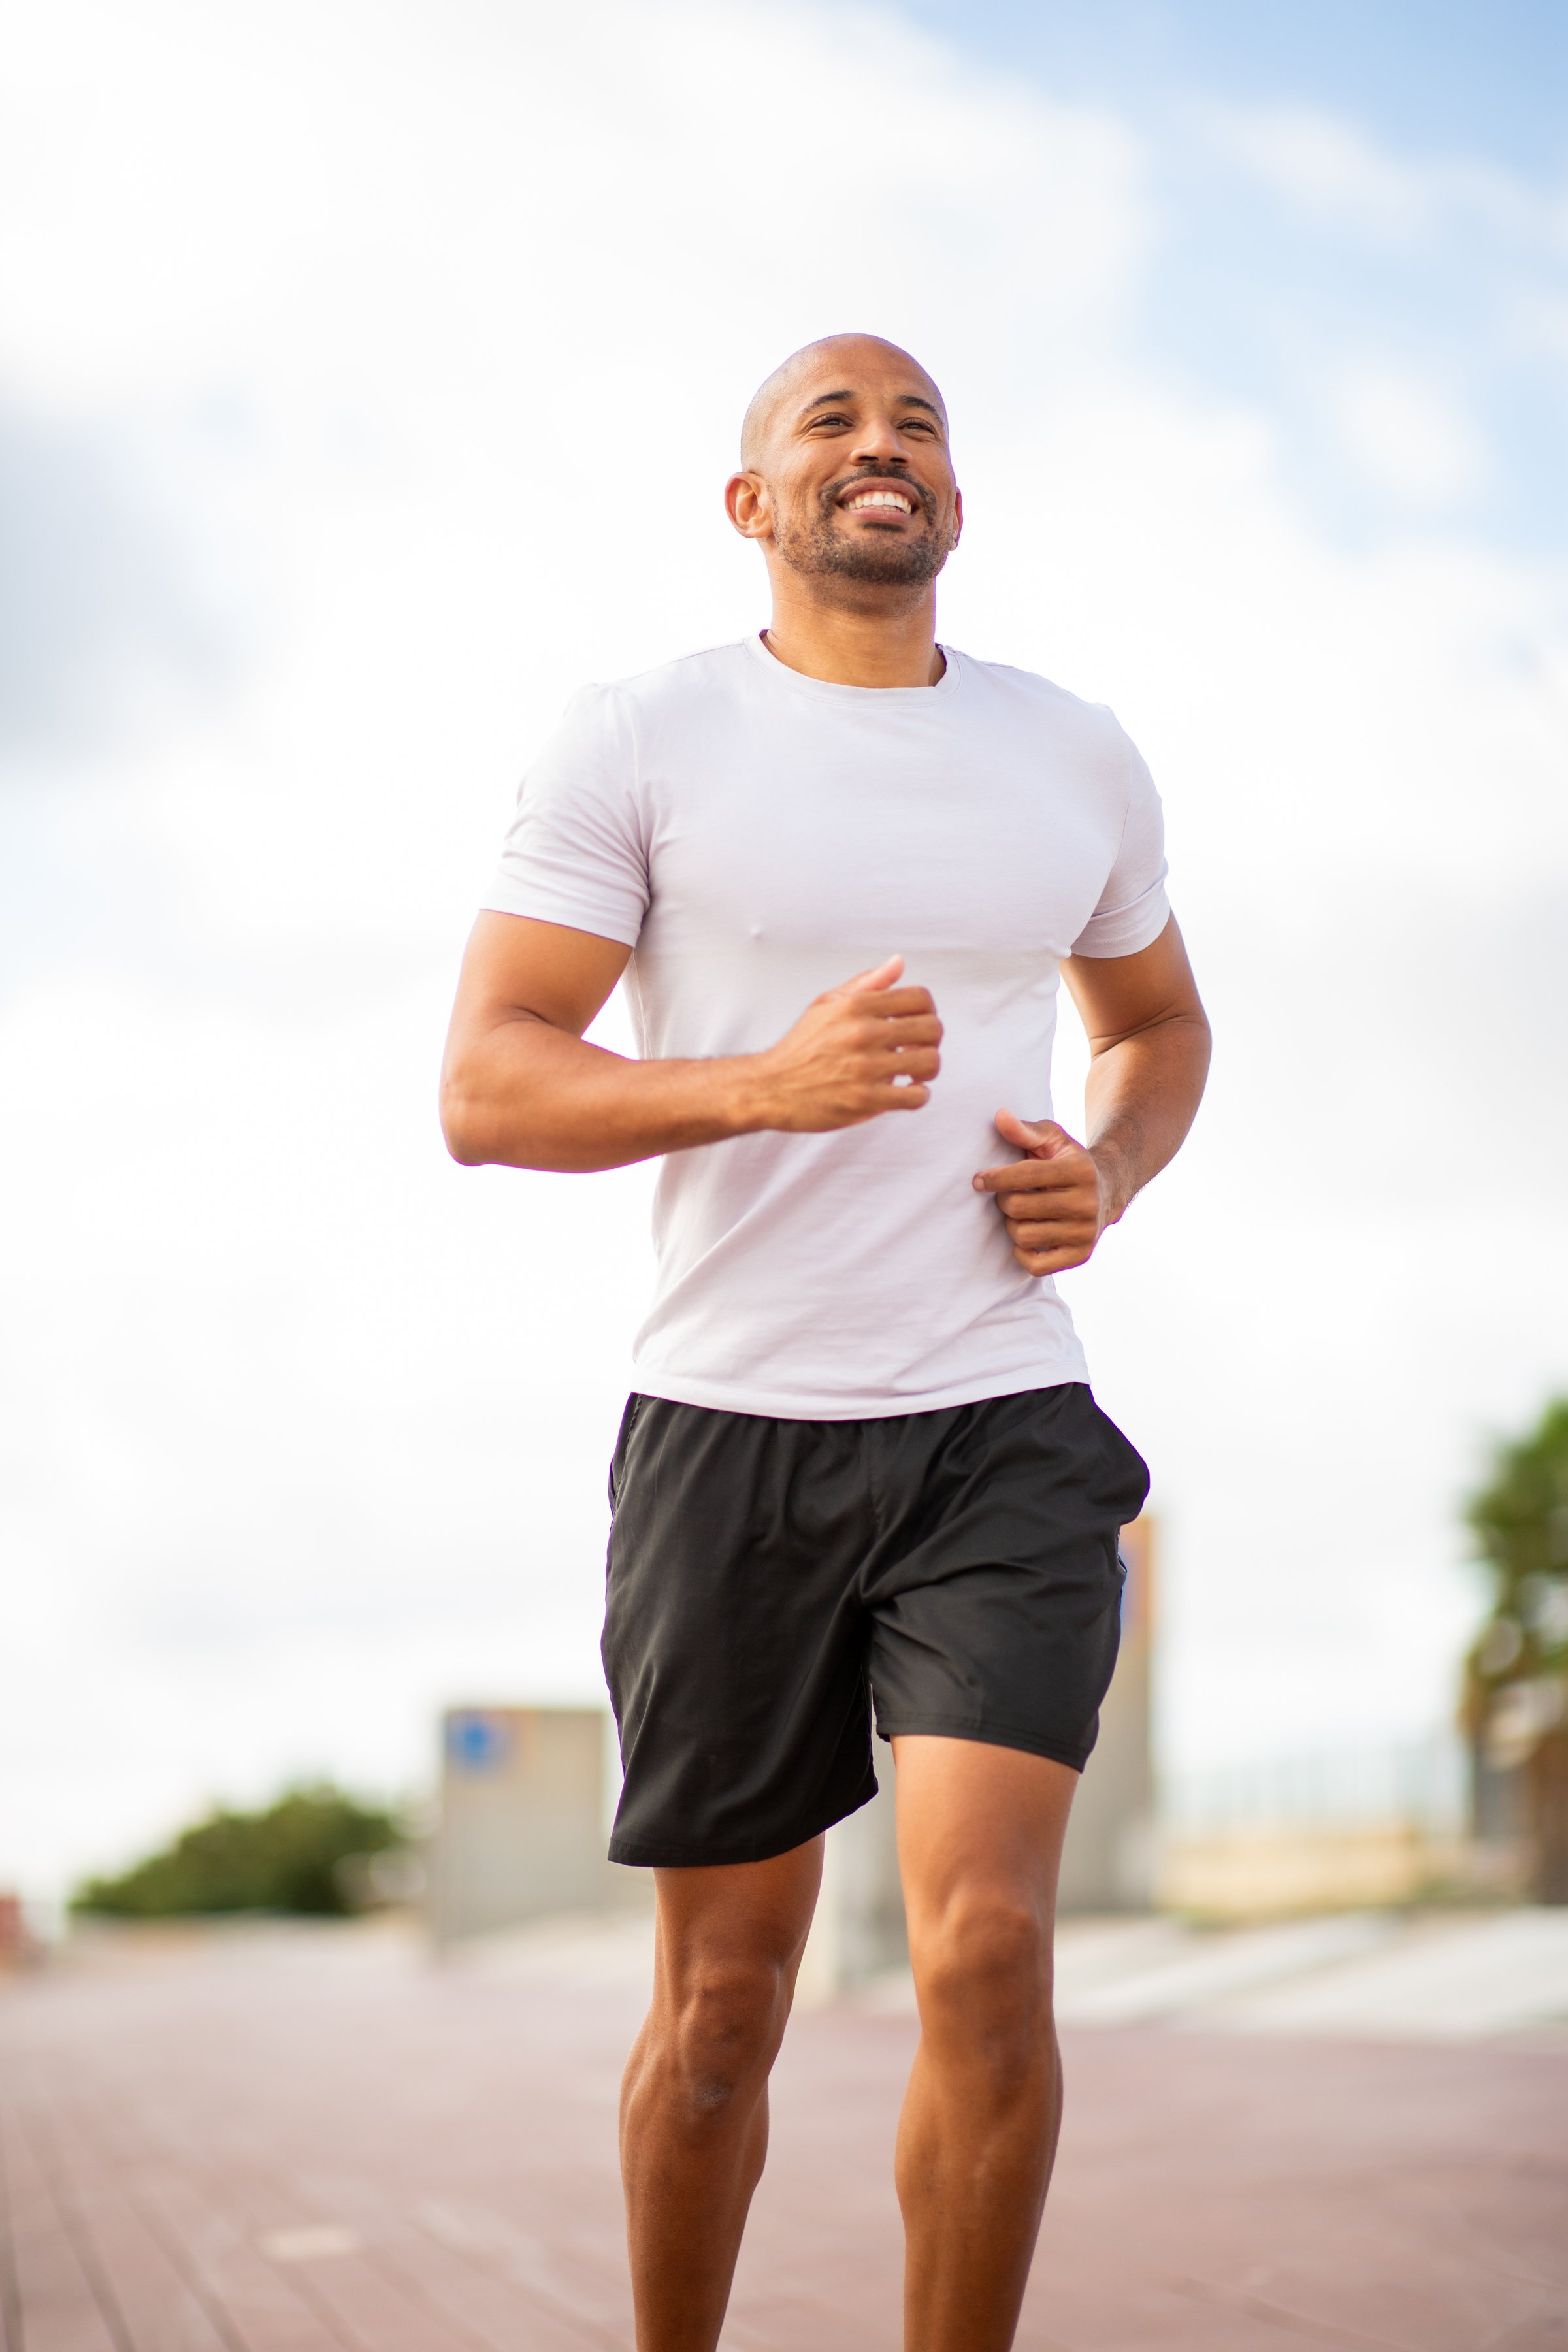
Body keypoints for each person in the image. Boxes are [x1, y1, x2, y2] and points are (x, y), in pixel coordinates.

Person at [440, 333, 1210, 2352]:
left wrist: (1110, 1171)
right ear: (754, 504)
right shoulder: (642, 738)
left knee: (988, 1956)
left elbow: (1160, 1025)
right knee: (719, 2015)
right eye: (833, 424)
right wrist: (756, 1089)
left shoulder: (1074, 753)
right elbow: (492, 1088)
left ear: (956, 496)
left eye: (922, 423)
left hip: (1000, 1419)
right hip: (731, 1434)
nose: (884, 448)